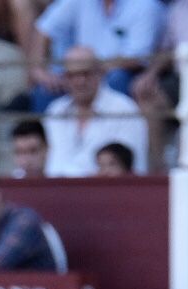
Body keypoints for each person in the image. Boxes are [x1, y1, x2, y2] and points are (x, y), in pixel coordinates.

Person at [30, 0, 166, 102]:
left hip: (118, 73)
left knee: (117, 78)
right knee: (45, 90)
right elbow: (43, 30)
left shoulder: (146, 5)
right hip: (80, 70)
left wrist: (90, 70)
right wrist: (40, 71)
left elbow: (137, 58)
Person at [40, 48, 147, 177]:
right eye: (72, 75)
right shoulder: (55, 111)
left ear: (100, 73)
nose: (80, 81)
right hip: (53, 192)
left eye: (86, 74)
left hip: (105, 193)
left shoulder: (124, 110)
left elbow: (130, 166)